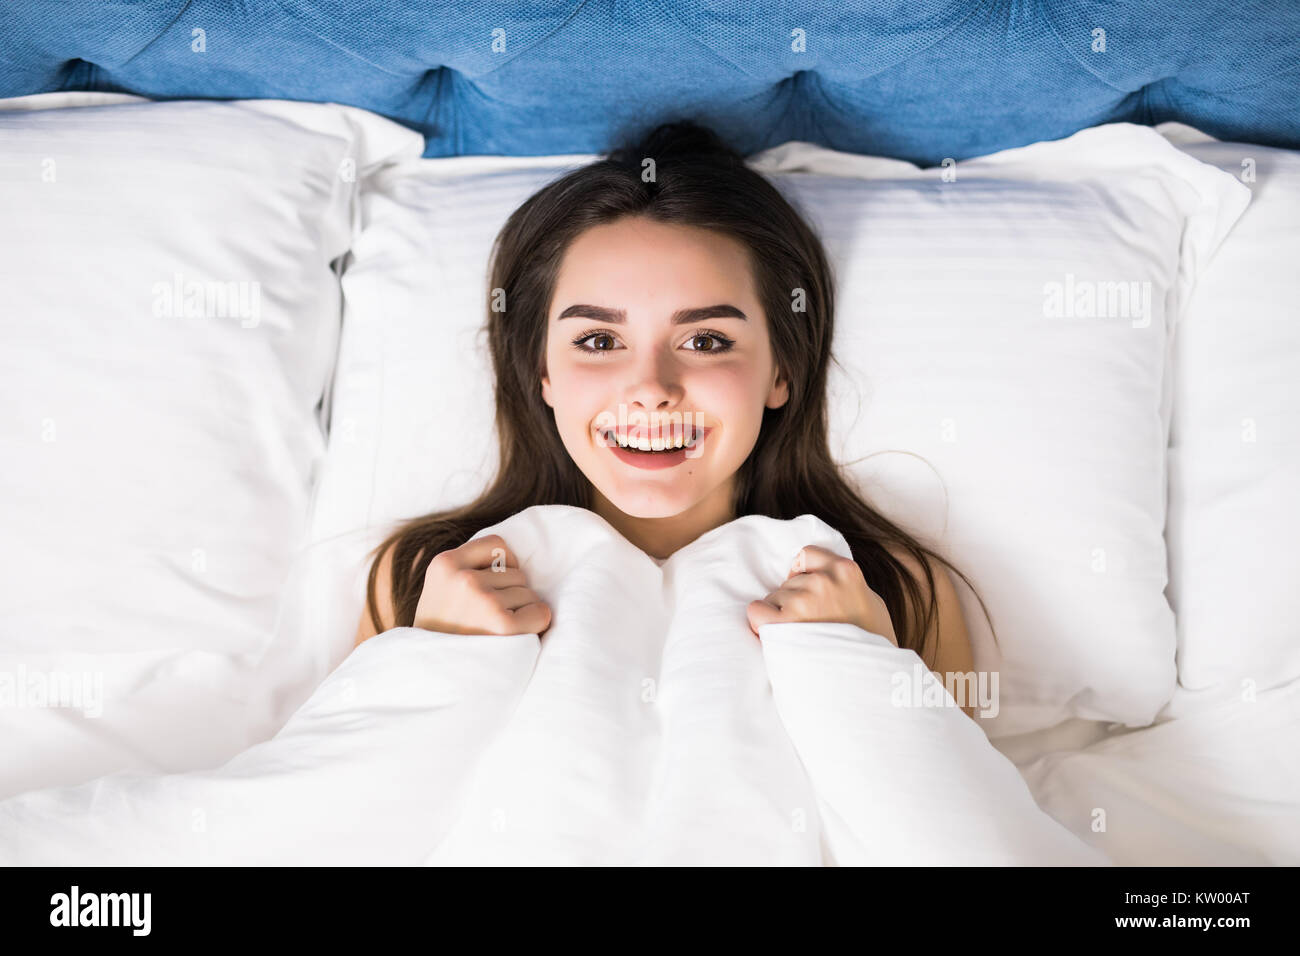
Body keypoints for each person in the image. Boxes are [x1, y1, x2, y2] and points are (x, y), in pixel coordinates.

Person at [354, 119, 995, 719]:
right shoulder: (419, 580)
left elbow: (956, 830)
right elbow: (342, 824)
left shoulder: (895, 590)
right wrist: (435, 661)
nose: (652, 390)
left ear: (781, 372)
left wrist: (865, 668)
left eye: (706, 341)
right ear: (543, 373)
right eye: (600, 342)